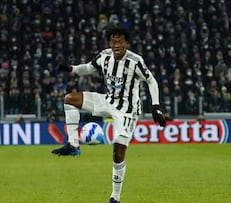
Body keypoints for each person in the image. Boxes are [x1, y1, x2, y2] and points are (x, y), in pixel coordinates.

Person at [51, 26, 166, 203]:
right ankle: (73, 145)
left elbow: (151, 81)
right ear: (109, 43)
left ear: (126, 43)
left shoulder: (135, 61)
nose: (116, 44)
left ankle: (115, 197)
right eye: (113, 40)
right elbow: (88, 68)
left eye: (120, 41)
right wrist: (70, 68)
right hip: (108, 100)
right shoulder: (104, 55)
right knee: (69, 99)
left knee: (118, 153)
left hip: (127, 110)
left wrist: (156, 106)